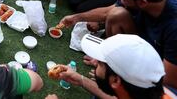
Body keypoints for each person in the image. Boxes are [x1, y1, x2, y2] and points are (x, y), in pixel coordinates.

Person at [60, 0, 177, 92]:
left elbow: (169, 78)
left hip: (161, 71)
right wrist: (75, 18)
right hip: (142, 49)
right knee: (117, 14)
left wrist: (117, 75)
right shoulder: (143, 0)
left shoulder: (173, 26)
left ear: (142, 2)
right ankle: (112, 60)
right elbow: (107, 12)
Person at [45, 34, 174, 99]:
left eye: (100, 63)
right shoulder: (149, 88)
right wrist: (79, 79)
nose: (94, 63)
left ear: (116, 80)